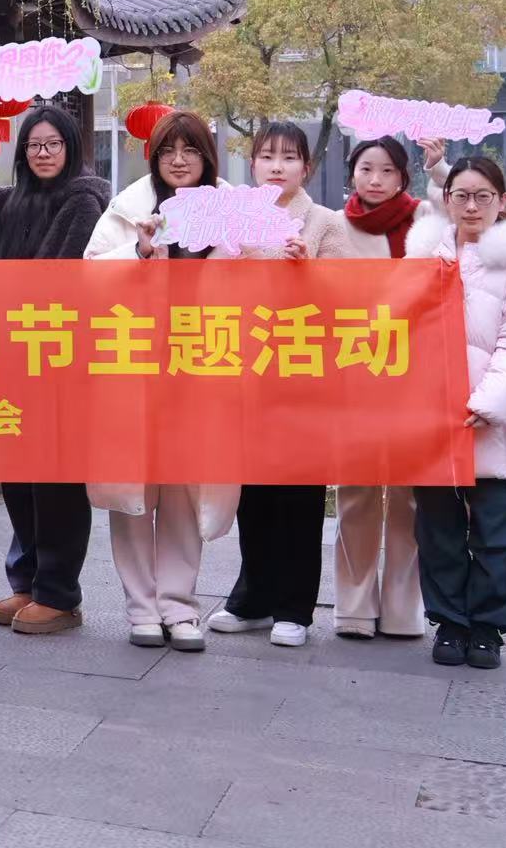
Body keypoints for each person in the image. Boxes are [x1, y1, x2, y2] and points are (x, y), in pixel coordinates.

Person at [0, 95, 110, 636]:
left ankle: (59, 593)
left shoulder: (85, 199)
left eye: (53, 144)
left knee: (55, 477)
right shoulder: (13, 202)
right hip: (11, 359)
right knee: (17, 473)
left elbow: (63, 278)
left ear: (70, 147)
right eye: (34, 145)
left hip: (58, 359)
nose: (43, 153)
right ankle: (28, 579)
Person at [83, 109, 239, 652]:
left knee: (184, 489)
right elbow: (89, 274)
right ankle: (141, 608)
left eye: (190, 150)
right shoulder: (127, 210)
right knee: (133, 490)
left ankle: (179, 605)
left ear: (207, 158)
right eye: (168, 150)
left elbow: (258, 286)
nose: (178, 160)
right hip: (136, 368)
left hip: (200, 368)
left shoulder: (233, 214)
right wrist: (139, 251)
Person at [206, 121, 353, 650]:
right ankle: (254, 597)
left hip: (302, 374)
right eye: (267, 156)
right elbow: (209, 290)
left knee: (300, 491)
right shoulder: (236, 219)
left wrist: (306, 270)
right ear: (252, 164)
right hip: (248, 369)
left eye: (288, 157)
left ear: (305, 168)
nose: (276, 166)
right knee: (254, 491)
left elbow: (344, 300)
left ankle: (295, 607)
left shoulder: (325, 223)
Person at [407, 158, 506, 670]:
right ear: (446, 199)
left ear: (502, 201)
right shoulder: (423, 255)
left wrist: (492, 403)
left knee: (500, 534)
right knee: (438, 530)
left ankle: (488, 627)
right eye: (461, 196)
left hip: (500, 419)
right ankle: (450, 622)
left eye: (483, 196)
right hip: (433, 419)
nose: (471, 206)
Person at [332, 134, 449, 639]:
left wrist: (439, 168)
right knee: (356, 491)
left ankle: (404, 609)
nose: (375, 180)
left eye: (387, 171)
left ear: (403, 176)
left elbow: (462, 218)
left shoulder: (425, 217)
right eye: (366, 169)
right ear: (352, 174)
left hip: (414, 373)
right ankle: (354, 607)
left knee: (409, 495)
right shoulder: (335, 225)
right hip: (354, 370)